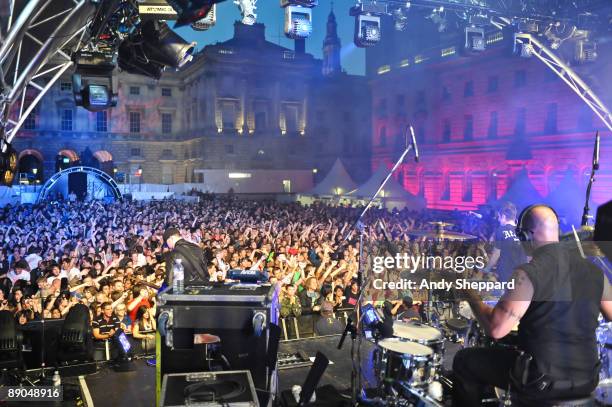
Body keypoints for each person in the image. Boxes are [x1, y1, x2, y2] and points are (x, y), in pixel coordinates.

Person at [453, 204, 610, 406]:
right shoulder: (596, 272)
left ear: (526, 235)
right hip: (588, 380)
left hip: (541, 380)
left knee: (465, 360)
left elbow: (496, 328)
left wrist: (470, 294)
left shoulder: (528, 272)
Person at [483, 202, 527, 282]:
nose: (499, 220)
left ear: (503, 216)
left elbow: (496, 254)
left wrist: (487, 268)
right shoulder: (524, 231)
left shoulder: (501, 230)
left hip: (506, 275)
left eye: (499, 217)